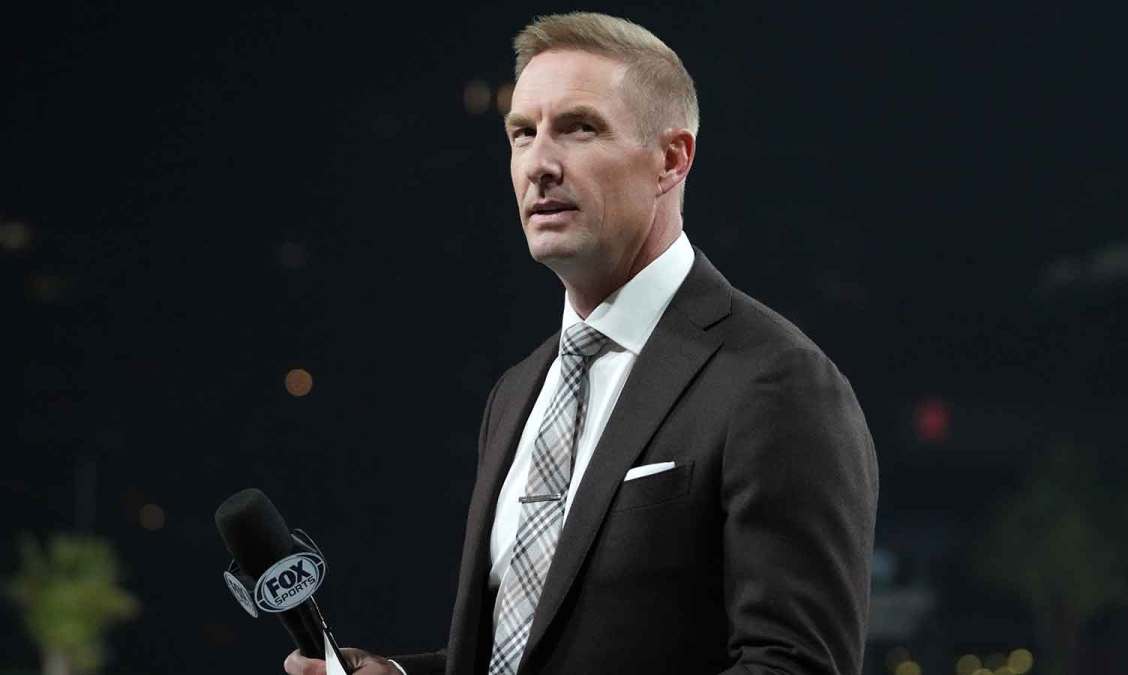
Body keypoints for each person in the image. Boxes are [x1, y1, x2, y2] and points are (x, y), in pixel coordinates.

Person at [286, 11, 878, 675]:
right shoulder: (516, 393)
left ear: (671, 158)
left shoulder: (777, 381)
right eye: (522, 134)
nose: (539, 163)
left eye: (579, 127)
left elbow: (794, 665)